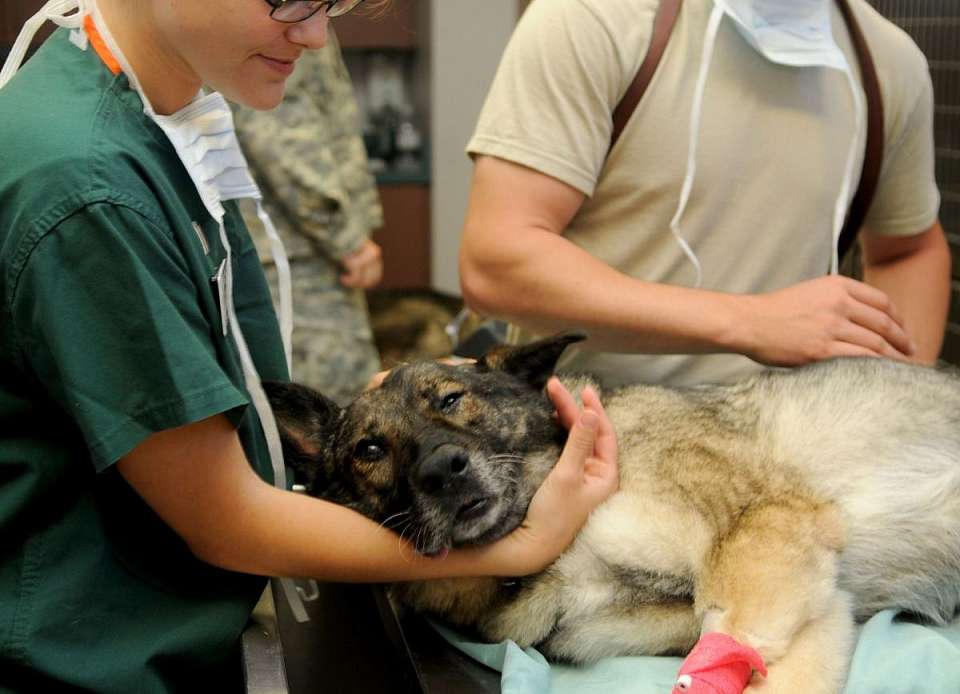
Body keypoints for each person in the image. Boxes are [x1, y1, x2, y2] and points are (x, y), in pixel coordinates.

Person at [0, 1, 619, 691]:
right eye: (287, 0)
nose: (317, 35)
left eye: (335, 5)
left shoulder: (161, 121)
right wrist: (524, 542)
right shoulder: (89, 188)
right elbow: (226, 520)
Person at [460, 0, 952, 389]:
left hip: (794, 445)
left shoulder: (888, 61)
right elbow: (497, 261)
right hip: (590, 437)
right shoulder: (595, 17)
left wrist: (892, 398)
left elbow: (910, 248)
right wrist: (750, 321)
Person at [233, 35, 385, 405]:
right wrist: (346, 239)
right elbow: (279, 132)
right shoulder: (288, 16)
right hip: (295, 255)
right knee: (334, 414)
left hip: (287, 247)